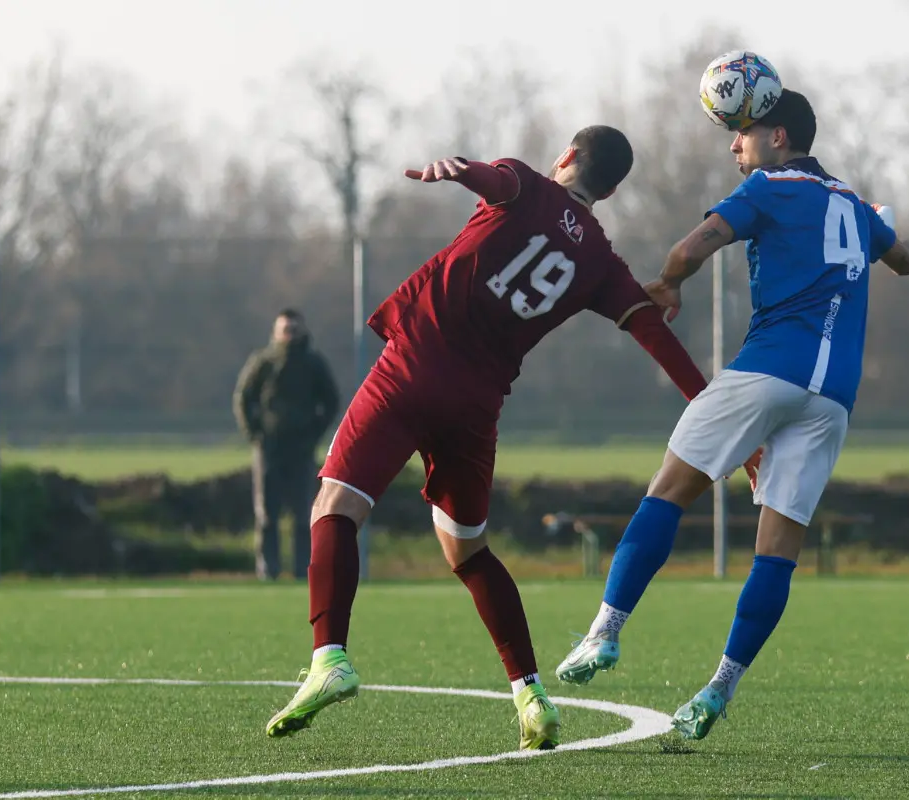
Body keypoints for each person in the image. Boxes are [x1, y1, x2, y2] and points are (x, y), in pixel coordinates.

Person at [265, 126, 719, 750]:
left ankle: (329, 658)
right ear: (611, 191)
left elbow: (497, 180)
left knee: (335, 506)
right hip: (475, 407)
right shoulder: (602, 264)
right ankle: (530, 694)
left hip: (412, 369)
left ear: (566, 157)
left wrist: (459, 170)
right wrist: (716, 413)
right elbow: (656, 337)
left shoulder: (527, 184)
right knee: (469, 553)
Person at [556, 89, 909, 740]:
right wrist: (879, 227)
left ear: (778, 137)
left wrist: (669, 282)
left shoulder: (768, 188)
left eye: (744, 132)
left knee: (668, 492)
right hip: (833, 397)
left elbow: (693, 247)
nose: (734, 144)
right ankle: (720, 688)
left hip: (767, 370)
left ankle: (604, 631)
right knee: (777, 553)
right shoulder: (855, 205)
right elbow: (907, 262)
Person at [233, 308, 340, 580]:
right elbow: (243, 398)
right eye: (285, 330)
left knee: (304, 514)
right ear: (276, 332)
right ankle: (268, 570)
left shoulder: (313, 363)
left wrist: (314, 433)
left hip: (302, 449)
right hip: (269, 448)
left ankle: (303, 570)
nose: (290, 335)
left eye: (294, 329)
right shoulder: (263, 362)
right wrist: (255, 435)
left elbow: (331, 401)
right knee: (267, 514)